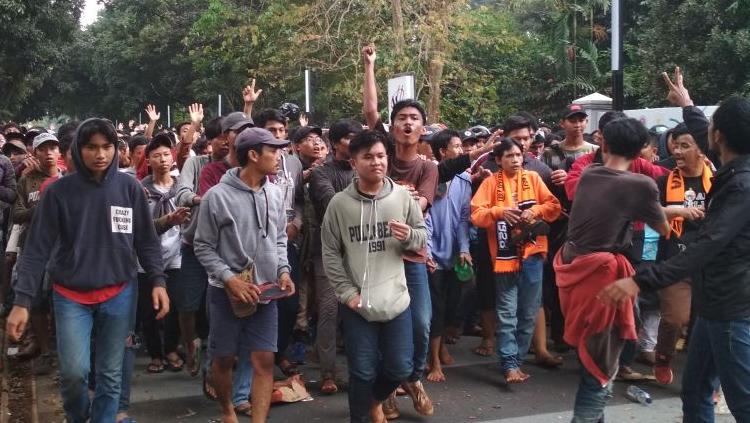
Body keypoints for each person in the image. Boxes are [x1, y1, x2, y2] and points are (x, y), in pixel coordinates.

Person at [6, 118, 169, 423]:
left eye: (107, 146)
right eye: (91, 147)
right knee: (73, 373)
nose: (100, 154)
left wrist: (158, 280)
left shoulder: (129, 188)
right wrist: (22, 302)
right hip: (71, 296)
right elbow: (37, 250)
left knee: (110, 373)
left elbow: (146, 240)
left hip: (119, 292)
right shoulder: (58, 193)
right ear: (78, 150)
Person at [601, 96, 750, 423]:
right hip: (715, 307)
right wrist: (687, 104)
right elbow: (704, 131)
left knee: (743, 403)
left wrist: (639, 280)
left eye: (709, 129)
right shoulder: (733, 166)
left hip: (732, 310)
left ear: (718, 136)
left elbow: (707, 245)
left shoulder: (741, 185)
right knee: (695, 392)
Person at [554, 117, 669, 422]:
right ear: (642, 149)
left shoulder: (589, 173)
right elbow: (664, 228)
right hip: (602, 278)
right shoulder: (641, 184)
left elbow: (614, 205)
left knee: (593, 356)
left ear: (602, 142)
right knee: (599, 370)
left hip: (573, 267)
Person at [321, 130, 427, 423]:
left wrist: (409, 237)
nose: (376, 162)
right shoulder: (339, 204)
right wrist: (346, 293)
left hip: (396, 300)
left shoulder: (402, 197)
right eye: (368, 157)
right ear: (354, 162)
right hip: (357, 302)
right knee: (362, 371)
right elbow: (330, 252)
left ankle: (373, 401)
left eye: (381, 156)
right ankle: (362, 416)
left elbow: (421, 236)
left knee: (399, 367)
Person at [194, 127, 295, 423]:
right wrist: (230, 279)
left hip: (266, 292)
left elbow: (278, 239)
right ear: (253, 155)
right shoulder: (217, 197)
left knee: (264, 359)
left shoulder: (274, 193)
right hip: (225, 293)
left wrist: (283, 271)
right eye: (272, 151)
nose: (278, 156)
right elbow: (202, 247)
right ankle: (227, 410)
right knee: (223, 359)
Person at [362, 42, 436, 418]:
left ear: (423, 128)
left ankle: (413, 377)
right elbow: (371, 111)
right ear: (393, 127)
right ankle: (386, 389)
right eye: (402, 117)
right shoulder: (381, 156)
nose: (408, 123)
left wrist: (402, 198)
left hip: (412, 254)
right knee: (381, 324)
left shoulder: (427, 166)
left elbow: (419, 205)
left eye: (414, 119)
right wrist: (370, 65)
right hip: (377, 255)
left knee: (421, 321)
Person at [471, 138, 561, 384]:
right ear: (498, 160)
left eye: (518, 155)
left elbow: (553, 206)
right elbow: (476, 214)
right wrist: (499, 212)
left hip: (532, 254)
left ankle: (516, 360)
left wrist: (536, 211)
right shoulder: (490, 183)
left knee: (529, 312)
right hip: (504, 257)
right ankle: (510, 363)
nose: (515, 160)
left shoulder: (532, 178)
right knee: (507, 311)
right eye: (509, 156)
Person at [650, 123, 711, 385]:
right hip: (675, 260)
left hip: (710, 262)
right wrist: (675, 210)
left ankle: (709, 377)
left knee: (707, 322)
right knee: (675, 318)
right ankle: (662, 357)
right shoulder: (663, 181)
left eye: (685, 145)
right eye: (675, 145)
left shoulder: (719, 181)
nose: (677, 150)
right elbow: (648, 212)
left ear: (701, 149)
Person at [308, 118, 363, 394]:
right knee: (329, 311)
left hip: (361, 250)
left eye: (357, 137)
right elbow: (331, 204)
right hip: (328, 251)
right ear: (335, 142)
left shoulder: (363, 169)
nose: (353, 142)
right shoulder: (321, 173)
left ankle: (362, 370)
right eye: (348, 137)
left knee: (360, 311)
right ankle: (328, 372)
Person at [424, 129, 473, 382]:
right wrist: (428, 251)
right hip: (432, 252)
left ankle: (441, 345)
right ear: (443, 152)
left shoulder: (465, 180)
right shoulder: (429, 177)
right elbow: (425, 218)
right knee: (435, 306)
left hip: (455, 252)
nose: (461, 150)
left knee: (457, 298)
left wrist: (463, 249)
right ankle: (433, 361)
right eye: (456, 146)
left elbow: (464, 218)